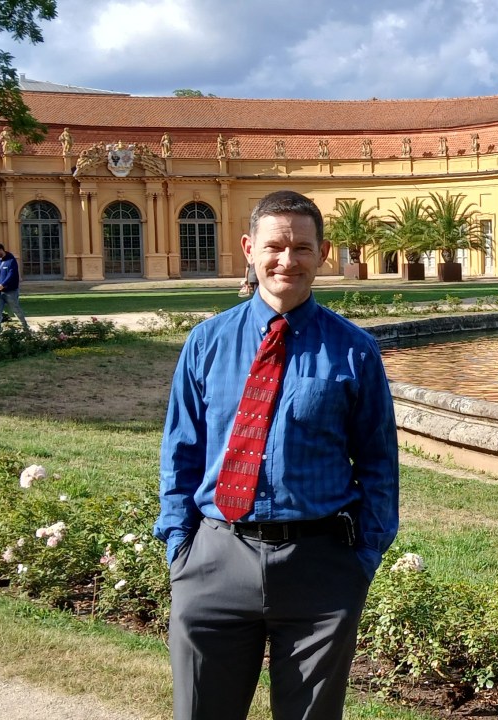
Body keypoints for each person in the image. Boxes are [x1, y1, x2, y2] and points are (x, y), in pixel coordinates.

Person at [155, 190, 399, 720]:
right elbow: (181, 452)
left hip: (320, 568)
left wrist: (361, 560)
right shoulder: (206, 343)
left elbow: (379, 462)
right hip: (215, 559)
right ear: (249, 248)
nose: (286, 260)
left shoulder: (355, 350)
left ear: (322, 253)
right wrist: (181, 548)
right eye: (274, 246)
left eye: (301, 248)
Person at [0, 243, 28, 331]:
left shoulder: (11, 260)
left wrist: (3, 284)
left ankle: (25, 327)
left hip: (10, 291)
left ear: (1, 250)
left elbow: (12, 274)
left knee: (15, 310)